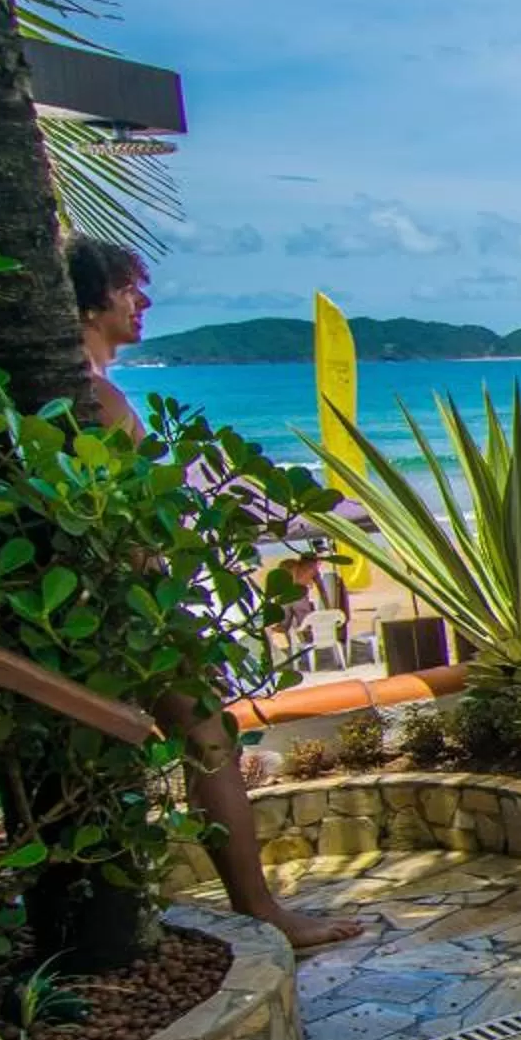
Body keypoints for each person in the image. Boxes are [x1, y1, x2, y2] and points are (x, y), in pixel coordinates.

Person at [69, 240, 365, 951]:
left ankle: (236, 908)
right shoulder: (98, 399)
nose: (142, 302)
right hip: (133, 607)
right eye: (129, 289)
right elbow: (140, 528)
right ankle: (261, 909)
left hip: (105, 608)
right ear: (91, 300)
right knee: (207, 736)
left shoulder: (86, 389)